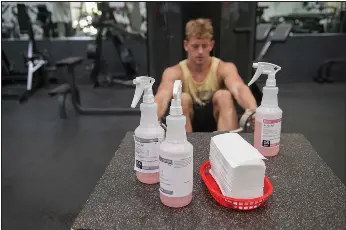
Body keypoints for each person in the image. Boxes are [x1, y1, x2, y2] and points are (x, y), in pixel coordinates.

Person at [154, 18, 257, 133]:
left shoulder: (223, 68)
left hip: (218, 122)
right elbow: (162, 96)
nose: (200, 51)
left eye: (204, 45)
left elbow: (239, 88)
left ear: (211, 45)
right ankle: (184, 147)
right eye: (195, 46)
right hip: (187, 123)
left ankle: (227, 146)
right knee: (182, 99)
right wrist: (151, 119)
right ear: (186, 45)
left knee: (224, 95)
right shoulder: (174, 72)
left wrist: (253, 111)